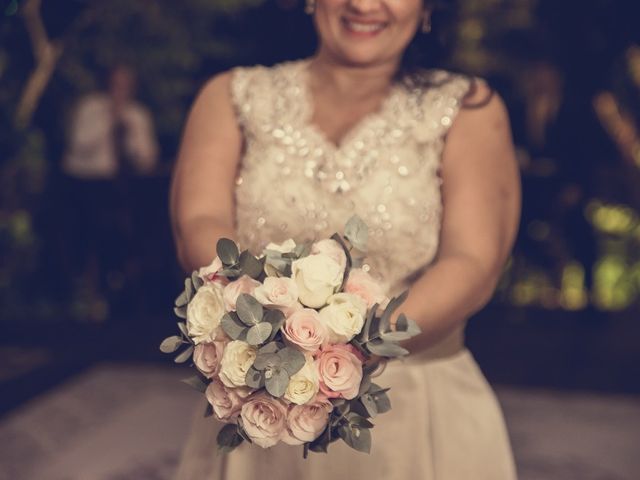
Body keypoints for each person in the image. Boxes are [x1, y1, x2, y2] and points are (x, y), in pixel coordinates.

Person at [170, 0, 520, 478]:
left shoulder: (468, 109)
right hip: (258, 406)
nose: (362, 4)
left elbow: (473, 261)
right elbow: (199, 220)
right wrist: (266, 330)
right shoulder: (231, 97)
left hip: (417, 414)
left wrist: (343, 351)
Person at [61, 64, 159, 318]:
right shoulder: (90, 108)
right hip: (88, 185)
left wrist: (130, 132)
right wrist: (109, 122)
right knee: (87, 237)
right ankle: (86, 296)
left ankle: (120, 297)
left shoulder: (138, 115)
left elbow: (147, 159)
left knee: (123, 238)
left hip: (124, 188)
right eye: (117, 83)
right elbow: (78, 146)